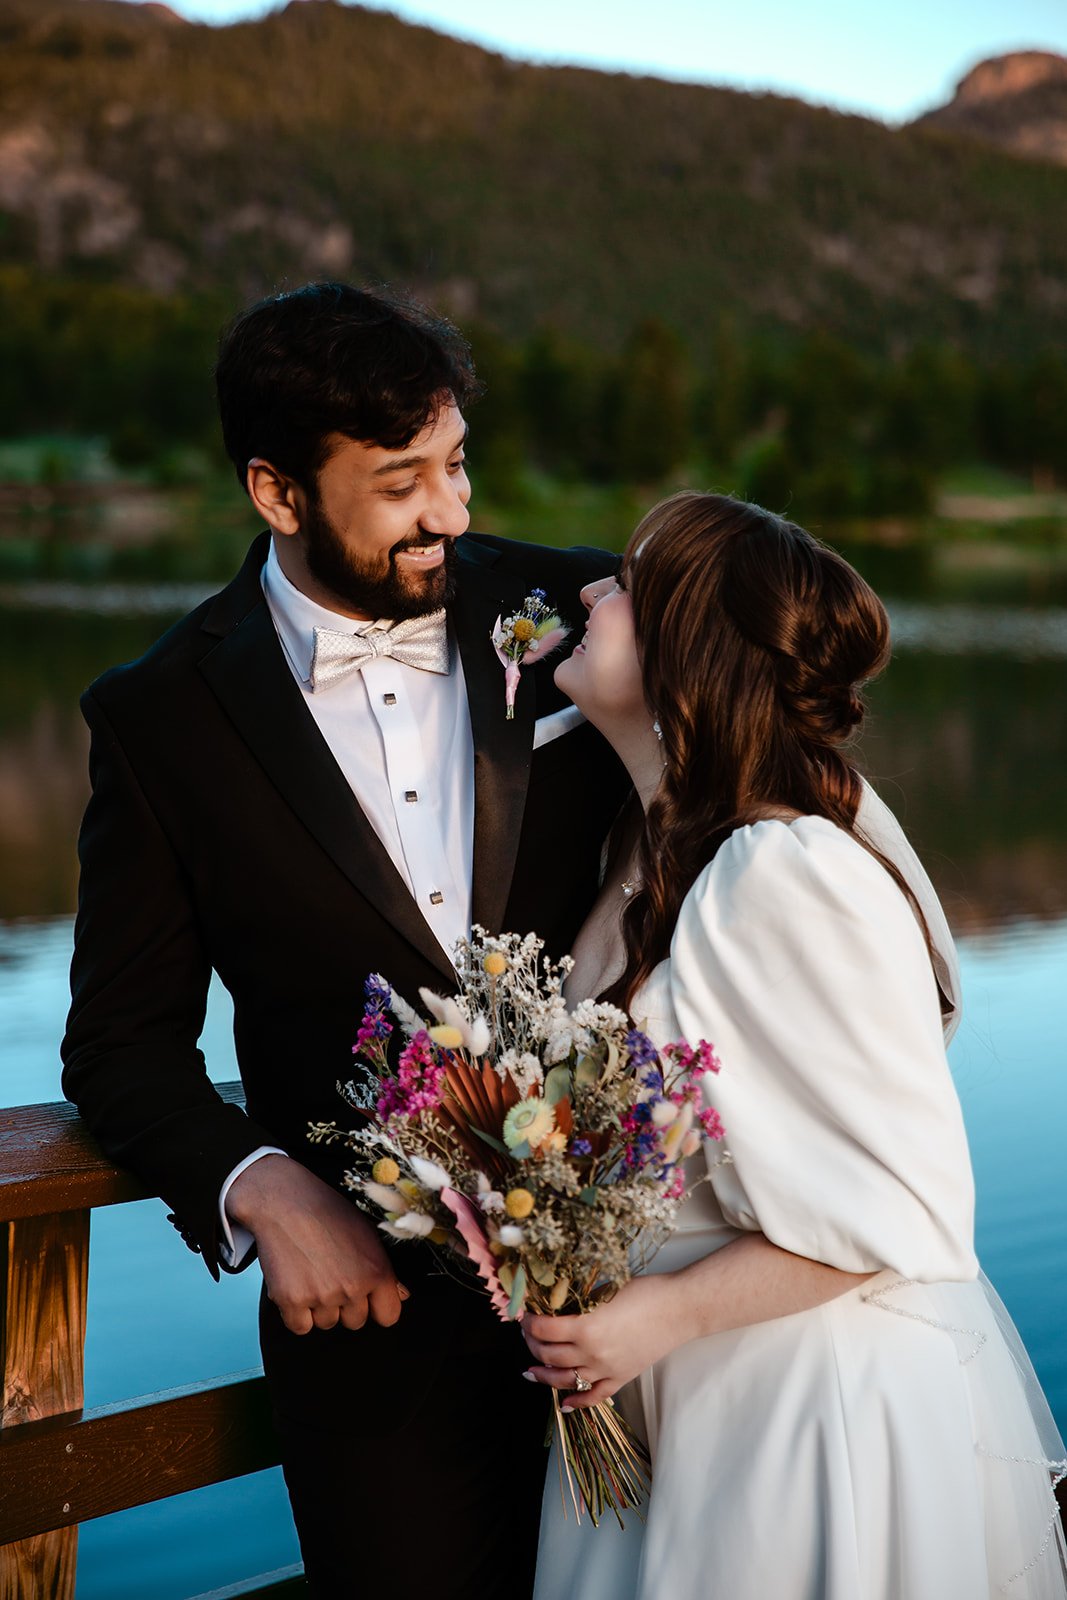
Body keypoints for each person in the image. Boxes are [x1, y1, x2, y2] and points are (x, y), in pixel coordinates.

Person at [60, 281, 630, 1598]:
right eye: (401, 482)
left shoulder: (576, 613)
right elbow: (122, 1048)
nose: (452, 511)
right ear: (276, 492)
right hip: (373, 1333)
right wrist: (258, 1182)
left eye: (456, 464)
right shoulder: (159, 718)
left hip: (631, 1298)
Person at [525, 492, 1067, 1600]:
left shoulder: (781, 872)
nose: (589, 592)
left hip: (788, 1412)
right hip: (671, 1398)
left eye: (623, 582)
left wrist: (660, 1313)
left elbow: (903, 1206)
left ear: (688, 650)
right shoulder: (646, 851)